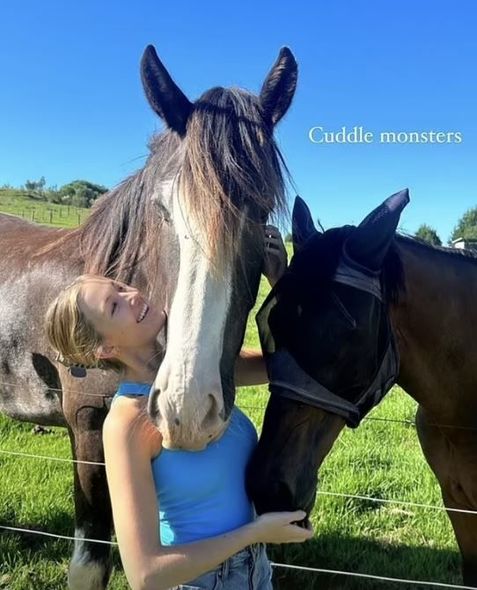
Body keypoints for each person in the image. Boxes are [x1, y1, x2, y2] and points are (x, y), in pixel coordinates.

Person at [45, 226, 313, 590]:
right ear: (105, 349)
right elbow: (146, 574)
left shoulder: (199, 371)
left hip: (257, 574)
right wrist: (255, 532)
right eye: (115, 305)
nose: (132, 295)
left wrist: (280, 282)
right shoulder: (126, 422)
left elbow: (282, 362)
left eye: (120, 287)